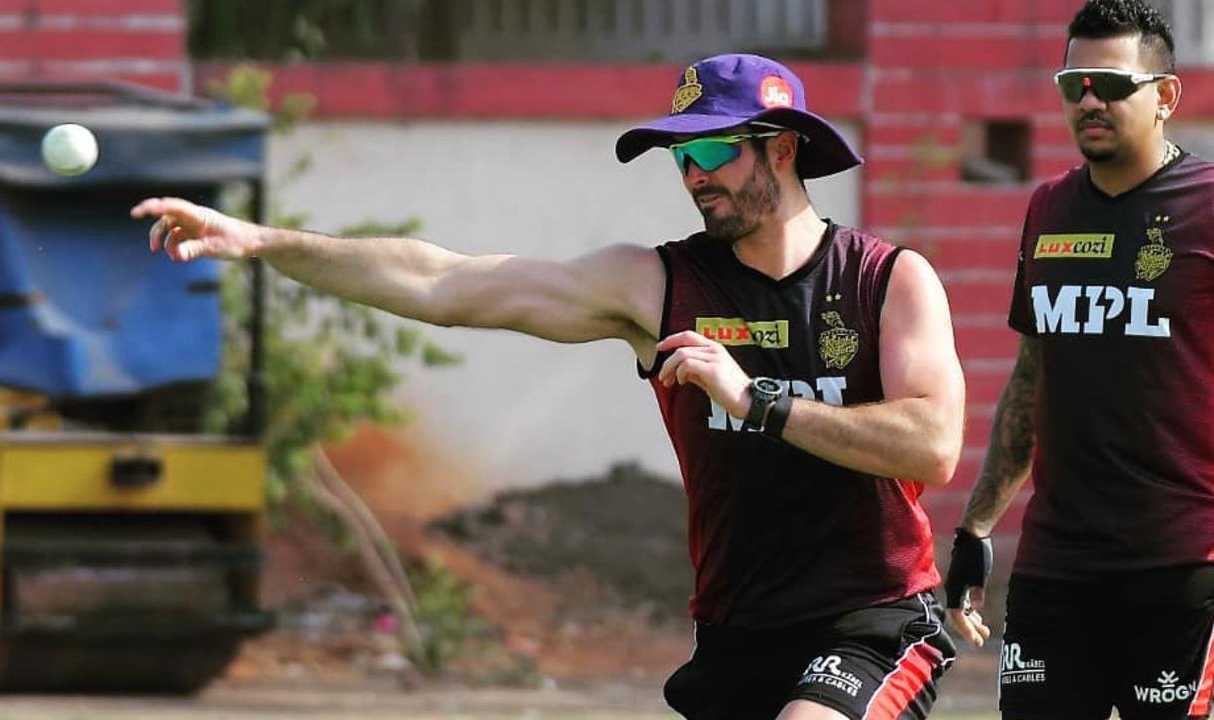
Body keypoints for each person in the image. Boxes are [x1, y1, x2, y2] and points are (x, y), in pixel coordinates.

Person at [132, 54, 964, 720]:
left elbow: (931, 445)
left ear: (782, 148)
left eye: (713, 150)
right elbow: (445, 284)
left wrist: (762, 401)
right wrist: (259, 241)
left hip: (874, 616)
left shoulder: (887, 281)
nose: (693, 175)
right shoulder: (658, 285)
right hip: (737, 629)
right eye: (681, 157)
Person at [944, 1, 1214, 718]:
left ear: (1165, 96)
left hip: (1183, 570)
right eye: (1073, 85)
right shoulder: (1050, 209)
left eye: (1110, 84)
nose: (1089, 100)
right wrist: (975, 528)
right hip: (1056, 570)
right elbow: (1034, 376)